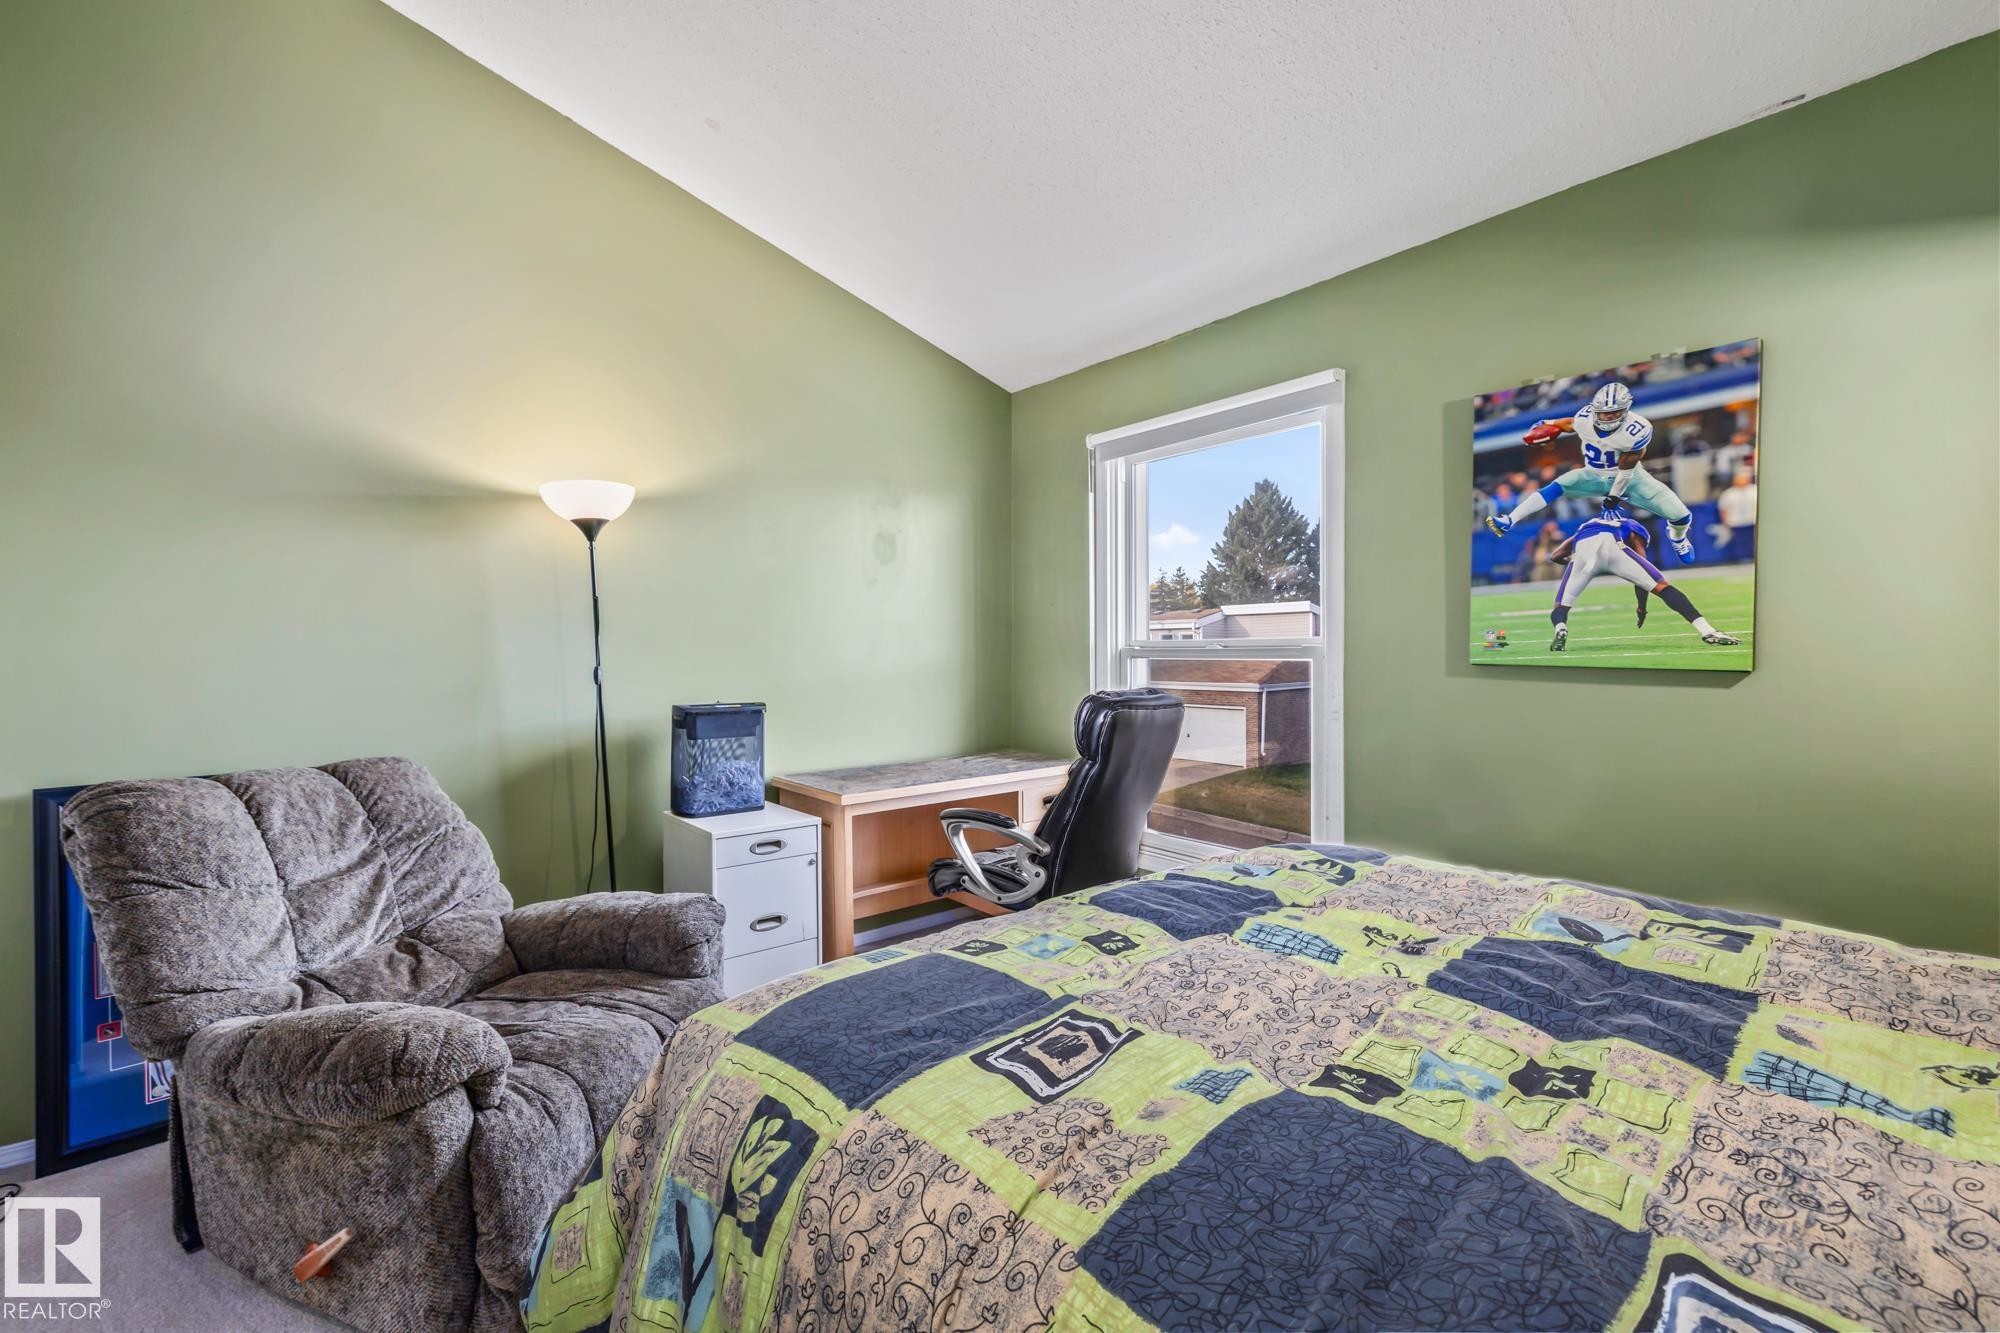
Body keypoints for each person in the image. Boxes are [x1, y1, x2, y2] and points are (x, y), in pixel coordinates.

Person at [1484, 382, 1697, 563]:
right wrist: (1548, 423)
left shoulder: (1637, 430)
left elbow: (1626, 468)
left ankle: (1678, 538)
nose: (1607, 417)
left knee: (1681, 515)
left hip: (1630, 478)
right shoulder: (1586, 418)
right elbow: (1569, 424)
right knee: (1555, 487)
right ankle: (1509, 520)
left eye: (1613, 412)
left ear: (1626, 409)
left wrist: (1613, 498)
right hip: (1593, 474)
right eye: (1603, 412)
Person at [1545, 505, 1741, 653]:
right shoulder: (1631, 525)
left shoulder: (1586, 525)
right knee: (1663, 587)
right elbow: (1641, 566)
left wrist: (1580, 563)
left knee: (1560, 606)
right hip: (1613, 545)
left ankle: (1561, 628)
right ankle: (1707, 631)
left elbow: (1555, 556)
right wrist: (1641, 606)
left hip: (1582, 551)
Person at [1714, 470, 1758, 563]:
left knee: (1754, 541)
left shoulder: (1754, 490)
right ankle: (1742, 559)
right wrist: (1725, 522)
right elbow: (1723, 509)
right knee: (1740, 542)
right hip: (1736, 522)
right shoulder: (1729, 493)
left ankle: (1754, 558)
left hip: (1752, 520)